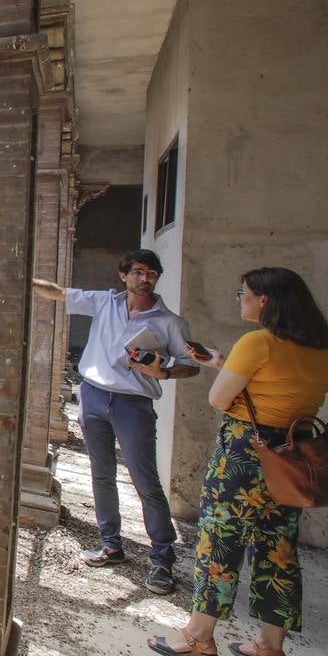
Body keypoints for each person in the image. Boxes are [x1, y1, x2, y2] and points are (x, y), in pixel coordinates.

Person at [148, 267, 328, 656]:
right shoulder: (318, 351)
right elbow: (275, 391)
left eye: (243, 293)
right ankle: (271, 649)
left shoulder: (258, 342)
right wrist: (219, 361)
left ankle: (199, 637)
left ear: (264, 299)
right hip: (290, 456)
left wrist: (226, 374)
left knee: (220, 542)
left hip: (244, 456)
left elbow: (220, 400)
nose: (240, 299)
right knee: (279, 550)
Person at [34, 248, 200, 593]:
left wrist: (164, 371)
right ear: (123, 275)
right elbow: (59, 293)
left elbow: (192, 364)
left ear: (157, 279)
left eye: (151, 273)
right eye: (138, 272)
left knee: (145, 480)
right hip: (93, 394)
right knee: (102, 473)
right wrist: (24, 278)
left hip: (133, 403)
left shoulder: (168, 322)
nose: (144, 279)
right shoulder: (105, 303)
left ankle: (162, 559)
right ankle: (110, 543)